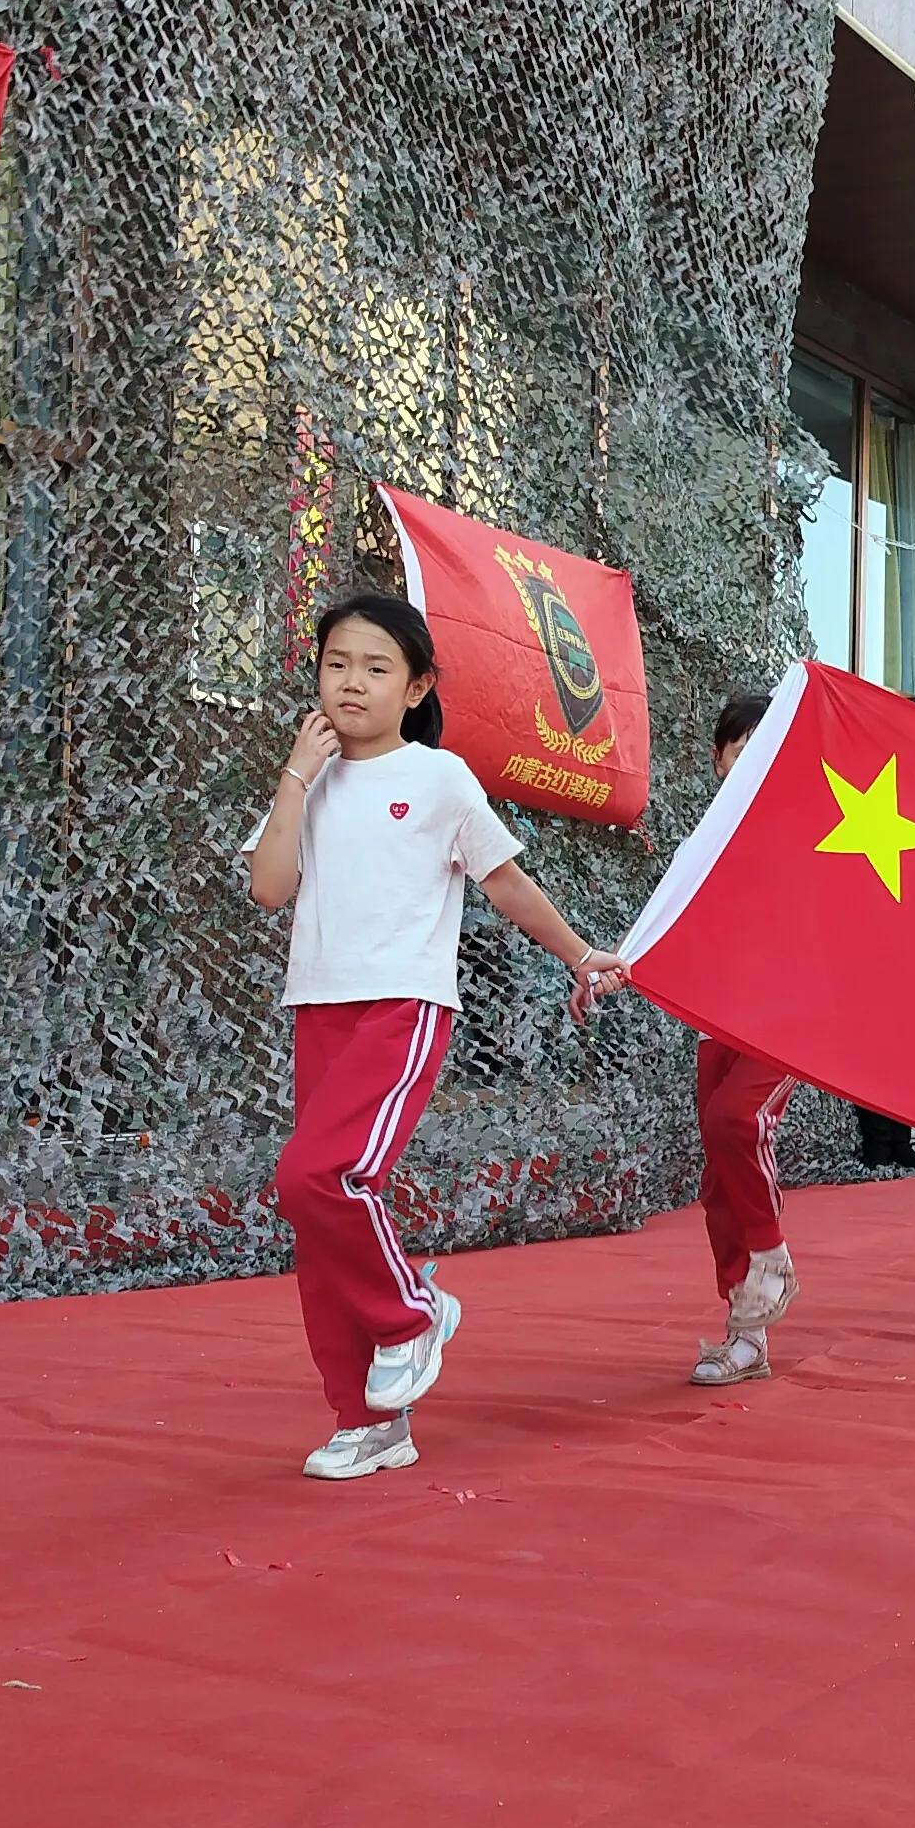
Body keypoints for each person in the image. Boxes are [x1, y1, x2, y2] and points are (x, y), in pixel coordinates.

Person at [245, 595, 626, 1479]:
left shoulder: (442, 777)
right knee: (320, 1220)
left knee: (320, 1176)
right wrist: (295, 777)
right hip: (320, 1011)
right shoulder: (310, 780)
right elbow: (269, 888)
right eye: (337, 663)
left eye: (377, 669)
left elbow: (506, 883)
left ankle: (414, 1311)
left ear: (416, 687)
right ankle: (370, 1421)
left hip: (404, 1008)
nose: (352, 683)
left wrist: (579, 955)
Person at [688, 692, 803, 1386]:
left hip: (790, 1019)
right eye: (741, 748)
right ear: (717, 760)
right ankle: (748, 1334)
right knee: (717, 1179)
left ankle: (771, 1255)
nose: (751, 761)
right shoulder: (702, 843)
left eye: (768, 748)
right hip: (720, 1018)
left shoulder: (810, 833)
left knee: (738, 1118)